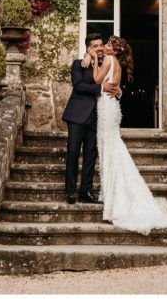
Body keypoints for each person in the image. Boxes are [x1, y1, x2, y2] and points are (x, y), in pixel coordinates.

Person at [85, 34, 167, 234]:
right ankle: (110, 195)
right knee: (111, 148)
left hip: (106, 108)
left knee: (109, 149)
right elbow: (115, 86)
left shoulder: (107, 60)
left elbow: (97, 80)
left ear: (114, 50)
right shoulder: (118, 63)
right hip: (111, 107)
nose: (103, 46)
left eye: (107, 44)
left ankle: (114, 199)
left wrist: (96, 61)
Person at [61, 33, 120, 205]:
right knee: (73, 153)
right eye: (95, 46)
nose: (100, 48)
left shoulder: (107, 63)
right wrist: (101, 88)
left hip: (98, 117)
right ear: (88, 48)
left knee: (91, 155)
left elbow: (115, 82)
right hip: (77, 116)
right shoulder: (79, 64)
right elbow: (78, 86)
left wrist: (118, 92)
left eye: (101, 45)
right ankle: (70, 191)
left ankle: (85, 191)